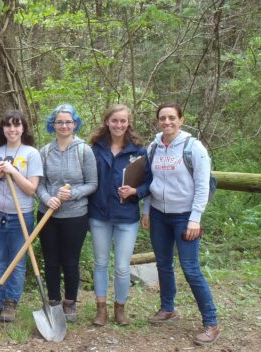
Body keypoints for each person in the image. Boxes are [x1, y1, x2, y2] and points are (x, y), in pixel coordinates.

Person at [141, 102, 220, 345]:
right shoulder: (153, 147)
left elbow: (202, 185)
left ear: (181, 119)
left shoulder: (193, 147)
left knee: (190, 268)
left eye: (172, 118)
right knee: (163, 264)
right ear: (157, 121)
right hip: (158, 215)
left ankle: (211, 322)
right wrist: (146, 210)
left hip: (185, 217)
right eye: (162, 118)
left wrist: (195, 218)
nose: (167, 122)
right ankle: (168, 308)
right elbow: (148, 180)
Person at [88, 104, 151, 326]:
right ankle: (101, 309)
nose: (118, 125)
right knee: (101, 263)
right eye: (114, 120)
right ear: (107, 122)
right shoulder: (95, 148)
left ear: (128, 123)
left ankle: (120, 308)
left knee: (123, 266)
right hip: (99, 215)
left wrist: (136, 191)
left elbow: (149, 182)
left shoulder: (138, 150)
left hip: (127, 216)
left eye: (123, 121)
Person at [36, 104, 97, 323]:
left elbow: (92, 183)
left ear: (75, 124)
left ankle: (69, 302)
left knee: (70, 261)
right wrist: (46, 198)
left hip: (75, 216)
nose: (64, 126)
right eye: (59, 122)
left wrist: (73, 194)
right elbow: (39, 184)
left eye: (68, 122)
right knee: (51, 260)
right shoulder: (44, 151)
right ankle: (53, 301)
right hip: (48, 215)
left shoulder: (84, 150)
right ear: (53, 124)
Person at [0, 110, 42, 322]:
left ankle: (10, 303)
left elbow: (31, 189)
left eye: (17, 125)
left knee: (17, 262)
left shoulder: (31, 154)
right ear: (3, 128)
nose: (12, 129)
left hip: (20, 216)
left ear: (23, 128)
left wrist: (14, 172)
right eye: (8, 125)